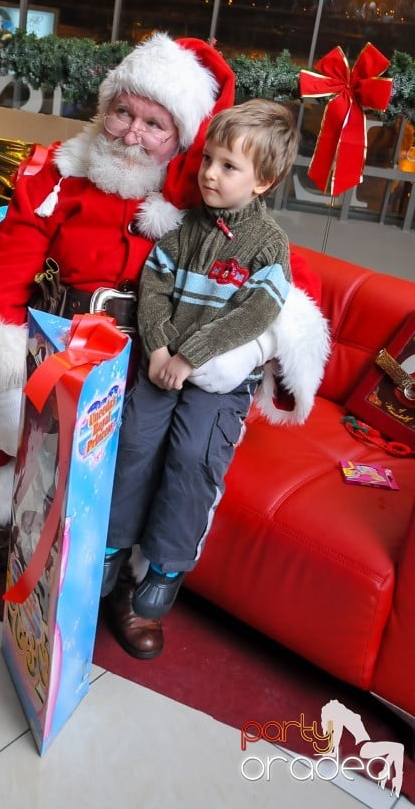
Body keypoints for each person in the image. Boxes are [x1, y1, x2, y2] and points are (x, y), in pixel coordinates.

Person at [0, 32, 330, 660]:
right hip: (54, 332)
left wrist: (230, 347)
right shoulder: (60, 168)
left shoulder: (199, 198)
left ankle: (124, 580)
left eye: (154, 124)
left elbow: (266, 269)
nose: (131, 134)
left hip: (146, 348)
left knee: (143, 438)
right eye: (122, 112)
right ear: (104, 106)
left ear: (181, 137)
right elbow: (11, 256)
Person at [100, 99, 298, 624]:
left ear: (264, 181)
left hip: (214, 381)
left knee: (192, 456)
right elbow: (154, 286)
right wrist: (161, 346)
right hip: (165, 364)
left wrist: (191, 355)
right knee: (137, 439)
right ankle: (113, 543)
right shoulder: (184, 228)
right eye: (209, 159)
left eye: (229, 166)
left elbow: (257, 312)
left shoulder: (270, 246)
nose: (210, 173)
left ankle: (166, 563)